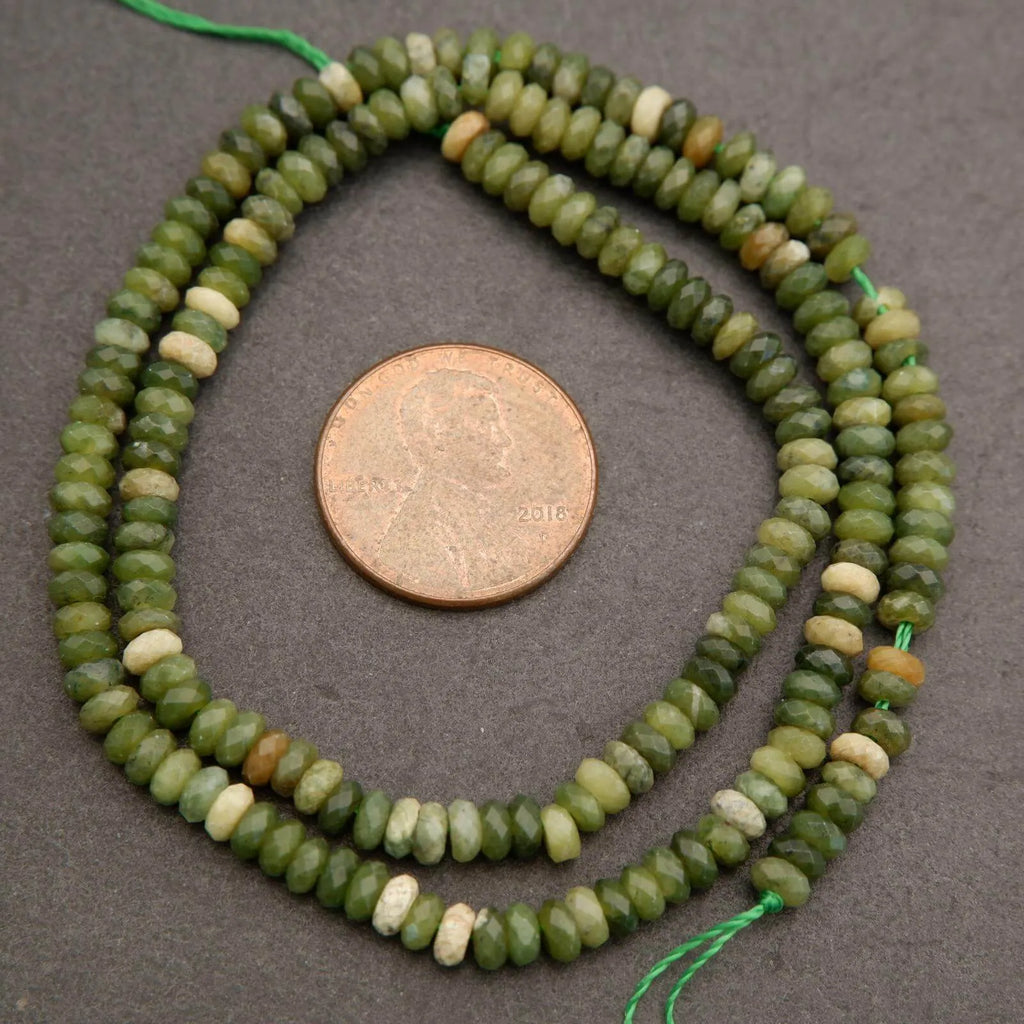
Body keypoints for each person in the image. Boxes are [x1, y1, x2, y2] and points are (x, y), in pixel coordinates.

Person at [376, 368, 523, 594]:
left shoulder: (480, 514)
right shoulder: (417, 542)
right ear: (438, 438)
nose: (504, 440)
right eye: (485, 424)